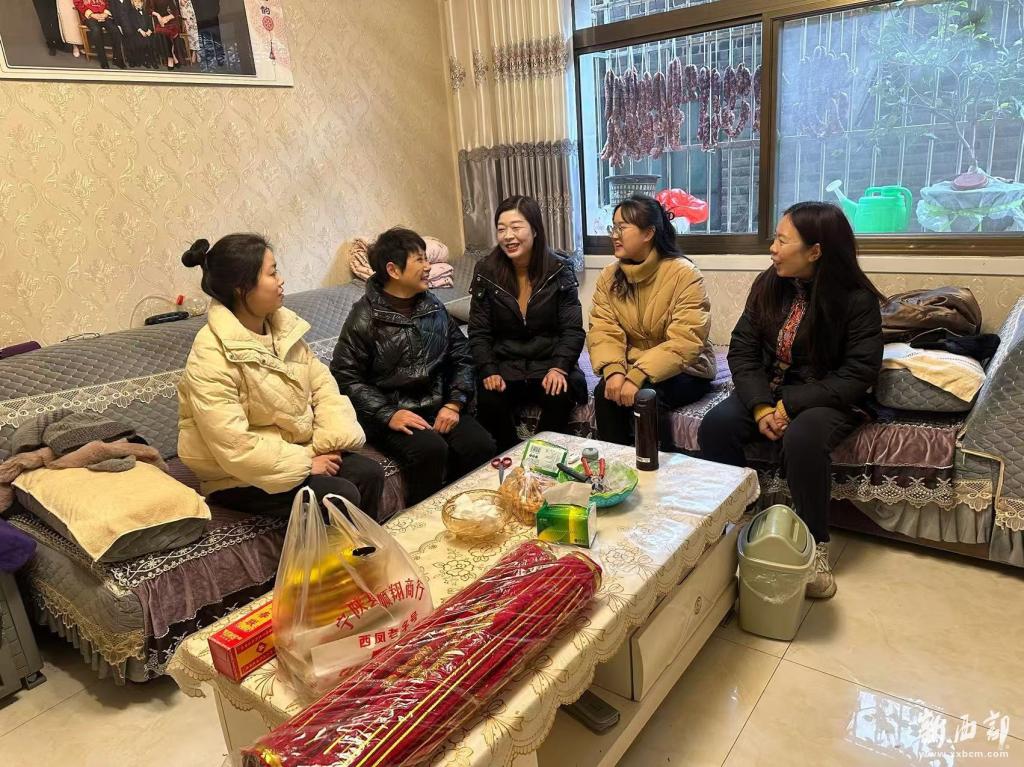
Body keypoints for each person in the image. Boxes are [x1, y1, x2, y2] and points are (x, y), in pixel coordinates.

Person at [698, 202, 884, 599]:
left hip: (828, 394)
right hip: (768, 389)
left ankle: (814, 547)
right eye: (775, 239)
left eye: (783, 241)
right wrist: (761, 405)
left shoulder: (856, 300)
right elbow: (743, 349)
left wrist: (791, 405)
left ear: (815, 251)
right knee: (716, 425)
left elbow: (858, 373)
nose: (773, 248)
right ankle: (737, 519)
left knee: (803, 438)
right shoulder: (770, 283)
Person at [177, 234, 387, 521]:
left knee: (369, 473)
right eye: (272, 273)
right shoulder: (210, 354)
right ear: (241, 288)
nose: (281, 280)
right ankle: (339, 552)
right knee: (339, 494)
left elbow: (323, 388)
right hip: (237, 475)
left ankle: (363, 548)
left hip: (297, 451)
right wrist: (306, 463)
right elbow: (234, 444)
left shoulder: (283, 330)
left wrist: (326, 444)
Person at [331, 227, 496, 507]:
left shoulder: (432, 305)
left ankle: (465, 509)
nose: (428, 266)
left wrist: (454, 403)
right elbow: (345, 377)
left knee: (480, 445)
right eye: (419, 259)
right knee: (431, 449)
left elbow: (461, 355)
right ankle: (423, 515)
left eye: (426, 258)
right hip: (392, 413)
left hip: (438, 404)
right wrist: (388, 414)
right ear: (393, 270)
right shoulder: (365, 316)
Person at [587, 193, 716, 447]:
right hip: (634, 363)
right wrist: (613, 371)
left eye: (622, 228)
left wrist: (637, 375)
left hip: (687, 368)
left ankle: (654, 466)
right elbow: (603, 329)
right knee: (604, 393)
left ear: (648, 233)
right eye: (613, 227)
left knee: (647, 398)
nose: (614, 235)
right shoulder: (609, 276)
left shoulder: (684, 274)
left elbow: (686, 341)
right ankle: (614, 465)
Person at [469, 196, 586, 452]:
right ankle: (512, 457)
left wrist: (559, 367)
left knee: (559, 395)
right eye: (501, 229)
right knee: (488, 400)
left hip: (548, 362)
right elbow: (478, 331)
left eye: (516, 227)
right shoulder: (486, 271)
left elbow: (572, 330)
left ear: (534, 229)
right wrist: (488, 369)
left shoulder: (559, 269)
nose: (508, 236)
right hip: (505, 365)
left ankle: (541, 457)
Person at [74, 0, 127, 69]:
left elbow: (108, 2)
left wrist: (105, 13)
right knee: (96, 30)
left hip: (103, 14)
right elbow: (78, 3)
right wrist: (92, 15)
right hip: (90, 16)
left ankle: (117, 58)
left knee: (115, 30)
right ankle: (103, 61)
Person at [122, 0, 158, 69]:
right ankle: (145, 60)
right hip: (138, 32)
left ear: (142, 3)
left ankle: (153, 60)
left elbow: (150, 22)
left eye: (139, 2)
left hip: (147, 32)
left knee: (150, 43)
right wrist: (140, 30)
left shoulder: (146, 11)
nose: (137, 3)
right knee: (141, 43)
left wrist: (150, 30)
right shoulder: (131, 12)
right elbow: (134, 23)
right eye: (135, 2)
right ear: (133, 3)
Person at [151, 0, 186, 69]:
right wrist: (158, 15)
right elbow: (148, 9)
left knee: (172, 31)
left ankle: (173, 55)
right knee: (164, 32)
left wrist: (167, 18)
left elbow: (175, 11)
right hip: (160, 21)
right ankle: (170, 57)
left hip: (171, 20)